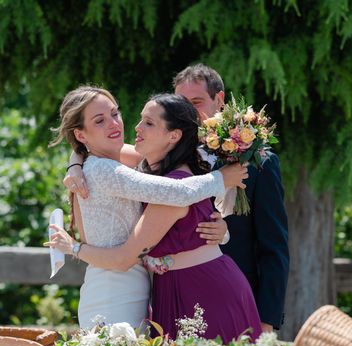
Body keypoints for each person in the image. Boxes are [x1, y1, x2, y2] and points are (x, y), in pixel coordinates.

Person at [66, 63, 290, 333]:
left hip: (212, 285)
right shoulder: (154, 160)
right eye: (179, 103)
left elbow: (273, 246)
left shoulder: (250, 164)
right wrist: (75, 162)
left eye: (195, 102)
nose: (186, 110)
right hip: (166, 288)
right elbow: (101, 148)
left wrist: (267, 318)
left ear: (219, 101)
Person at [46, 86, 248, 329]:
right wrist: (221, 179)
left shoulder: (115, 160)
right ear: (81, 135)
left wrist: (75, 161)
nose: (116, 124)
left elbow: (177, 195)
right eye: (100, 120)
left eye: (114, 113)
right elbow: (176, 192)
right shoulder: (103, 169)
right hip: (114, 292)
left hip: (141, 287)